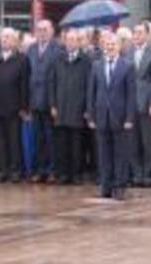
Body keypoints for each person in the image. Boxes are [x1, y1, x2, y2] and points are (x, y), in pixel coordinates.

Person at [86, 31, 135, 201]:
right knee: (104, 153)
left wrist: (129, 118)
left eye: (113, 44)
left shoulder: (127, 66)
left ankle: (120, 186)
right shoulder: (96, 65)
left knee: (120, 153)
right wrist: (90, 116)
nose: (110, 47)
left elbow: (131, 94)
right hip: (101, 116)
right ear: (103, 47)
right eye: (107, 44)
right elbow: (91, 92)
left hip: (120, 117)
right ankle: (106, 186)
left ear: (119, 47)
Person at [0, 28, 30, 183]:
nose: (5, 40)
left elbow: (24, 85)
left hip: (15, 108)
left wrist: (24, 107)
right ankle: (0, 171)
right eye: (3, 37)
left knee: (14, 141)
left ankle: (15, 171)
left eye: (9, 37)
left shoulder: (22, 59)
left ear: (15, 41)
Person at [47, 29, 90, 185]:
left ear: (79, 42)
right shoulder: (57, 59)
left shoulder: (86, 60)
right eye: (68, 40)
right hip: (61, 109)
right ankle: (63, 174)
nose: (70, 43)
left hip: (78, 109)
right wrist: (52, 104)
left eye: (74, 40)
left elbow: (89, 86)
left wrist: (87, 108)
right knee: (61, 144)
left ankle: (76, 174)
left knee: (77, 144)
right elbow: (51, 83)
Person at [27, 19, 62, 183]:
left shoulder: (58, 49)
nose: (42, 32)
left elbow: (57, 78)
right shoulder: (31, 49)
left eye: (45, 29)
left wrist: (55, 103)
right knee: (37, 138)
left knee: (51, 139)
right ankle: (39, 170)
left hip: (50, 101)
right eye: (39, 29)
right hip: (34, 101)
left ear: (52, 31)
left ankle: (52, 170)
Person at [129, 23, 151, 187]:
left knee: (148, 142)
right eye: (135, 32)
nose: (137, 35)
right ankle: (137, 174)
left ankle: (149, 175)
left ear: (147, 35)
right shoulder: (127, 52)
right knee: (133, 142)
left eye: (140, 33)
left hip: (147, 102)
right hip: (130, 103)